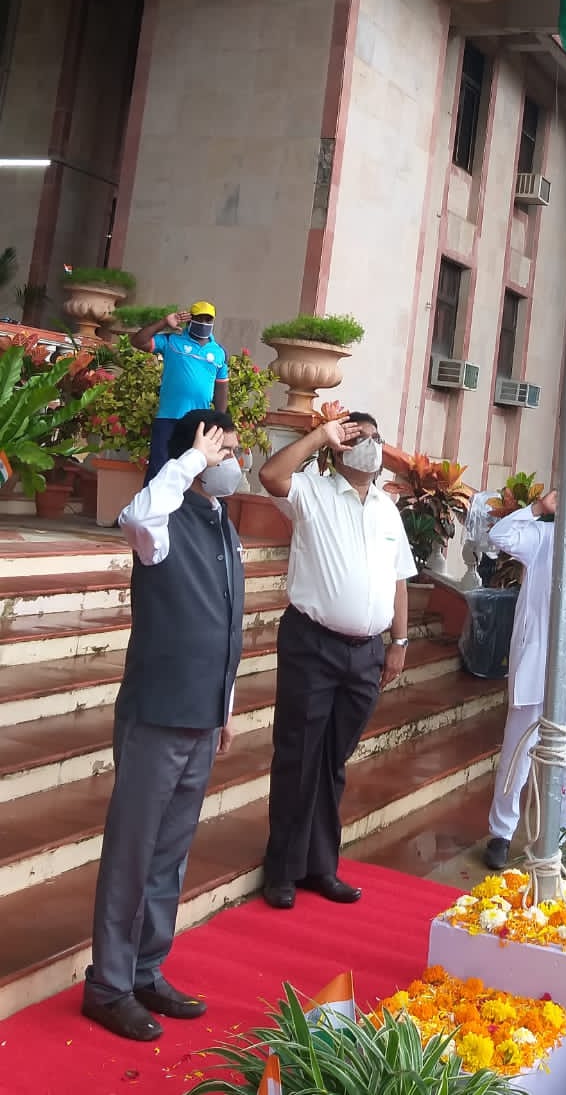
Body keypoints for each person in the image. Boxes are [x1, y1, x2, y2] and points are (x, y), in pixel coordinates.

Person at [82, 410, 245, 1043]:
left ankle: (146, 969)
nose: (233, 463)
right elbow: (136, 516)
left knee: (169, 856)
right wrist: (190, 460)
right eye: (224, 452)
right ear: (194, 459)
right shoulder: (162, 520)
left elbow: (227, 624)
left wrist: (225, 708)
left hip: (202, 715)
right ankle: (108, 986)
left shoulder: (221, 523)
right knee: (133, 852)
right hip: (157, 713)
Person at [258, 412, 417, 910]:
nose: (370, 445)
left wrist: (399, 642)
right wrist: (318, 437)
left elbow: (398, 579)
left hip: (366, 652)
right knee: (299, 756)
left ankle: (320, 866)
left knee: (333, 761)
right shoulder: (313, 492)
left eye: (375, 437)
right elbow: (270, 476)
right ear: (338, 448)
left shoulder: (387, 510)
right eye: (357, 438)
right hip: (314, 645)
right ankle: (282, 870)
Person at [482, 472, 566, 871]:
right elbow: (500, 536)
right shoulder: (543, 537)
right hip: (538, 663)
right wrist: (539, 508)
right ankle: (501, 833)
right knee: (518, 754)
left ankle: (555, 838)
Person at [134, 303, 229, 480]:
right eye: (199, 318)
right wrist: (164, 322)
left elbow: (221, 390)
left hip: (198, 423)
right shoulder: (171, 341)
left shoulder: (219, 352)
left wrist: (219, 422)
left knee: (189, 473)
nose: (204, 323)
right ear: (190, 320)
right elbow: (138, 341)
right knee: (158, 470)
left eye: (208, 319)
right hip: (168, 417)